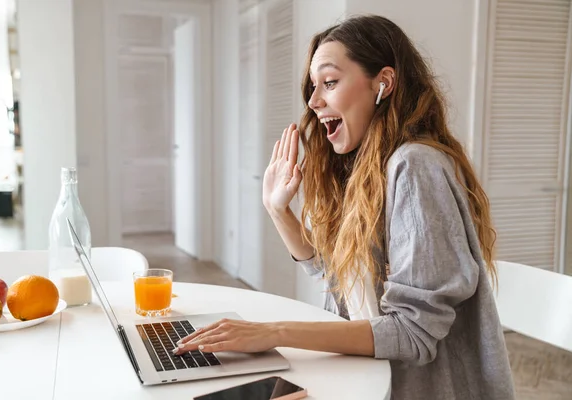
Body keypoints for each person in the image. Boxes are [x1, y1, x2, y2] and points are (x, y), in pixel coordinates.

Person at [175, 14, 515, 399]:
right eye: (313, 87)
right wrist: (277, 210)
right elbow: (339, 275)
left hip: (408, 386)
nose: (314, 101)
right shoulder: (367, 167)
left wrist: (273, 331)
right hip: (366, 373)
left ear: (383, 83)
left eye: (330, 82)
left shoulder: (415, 166)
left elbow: (413, 333)